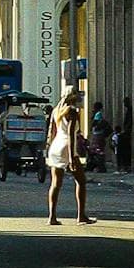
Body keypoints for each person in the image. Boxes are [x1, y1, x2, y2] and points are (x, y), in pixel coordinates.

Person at [45, 91, 90, 226]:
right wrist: (72, 158)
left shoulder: (56, 110)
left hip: (55, 147)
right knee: (81, 181)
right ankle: (81, 216)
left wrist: (48, 149)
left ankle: (52, 217)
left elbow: (51, 132)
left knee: (55, 184)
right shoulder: (72, 111)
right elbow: (71, 135)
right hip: (67, 147)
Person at [86, 98, 110, 173]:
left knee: (97, 151)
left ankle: (100, 166)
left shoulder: (98, 114)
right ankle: (97, 166)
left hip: (98, 135)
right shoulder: (99, 114)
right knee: (96, 150)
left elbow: (94, 123)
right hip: (98, 134)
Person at [116, 96, 134, 172]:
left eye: (125, 102)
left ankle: (124, 165)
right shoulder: (129, 110)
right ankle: (123, 165)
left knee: (123, 149)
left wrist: (125, 131)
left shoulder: (130, 111)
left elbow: (129, 122)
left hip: (128, 133)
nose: (124, 104)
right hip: (126, 132)